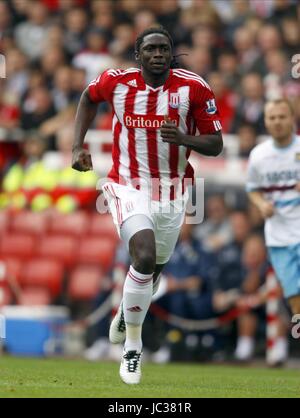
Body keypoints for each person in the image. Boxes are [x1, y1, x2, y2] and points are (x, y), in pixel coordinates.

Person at [72, 26, 223, 385]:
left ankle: (128, 312)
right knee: (141, 255)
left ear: (172, 53)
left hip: (173, 190)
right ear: (138, 54)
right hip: (127, 184)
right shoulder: (115, 81)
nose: (158, 54)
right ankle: (133, 348)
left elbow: (216, 144)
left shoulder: (194, 87)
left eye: (165, 48)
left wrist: (184, 138)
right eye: (151, 49)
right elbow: (87, 98)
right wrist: (77, 145)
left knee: (153, 271)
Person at [247, 98, 300, 317]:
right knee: (294, 295)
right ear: (266, 122)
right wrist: (261, 204)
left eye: (282, 116)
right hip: (278, 237)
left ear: (292, 119)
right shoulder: (258, 155)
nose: (277, 121)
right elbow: (252, 188)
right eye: (272, 117)